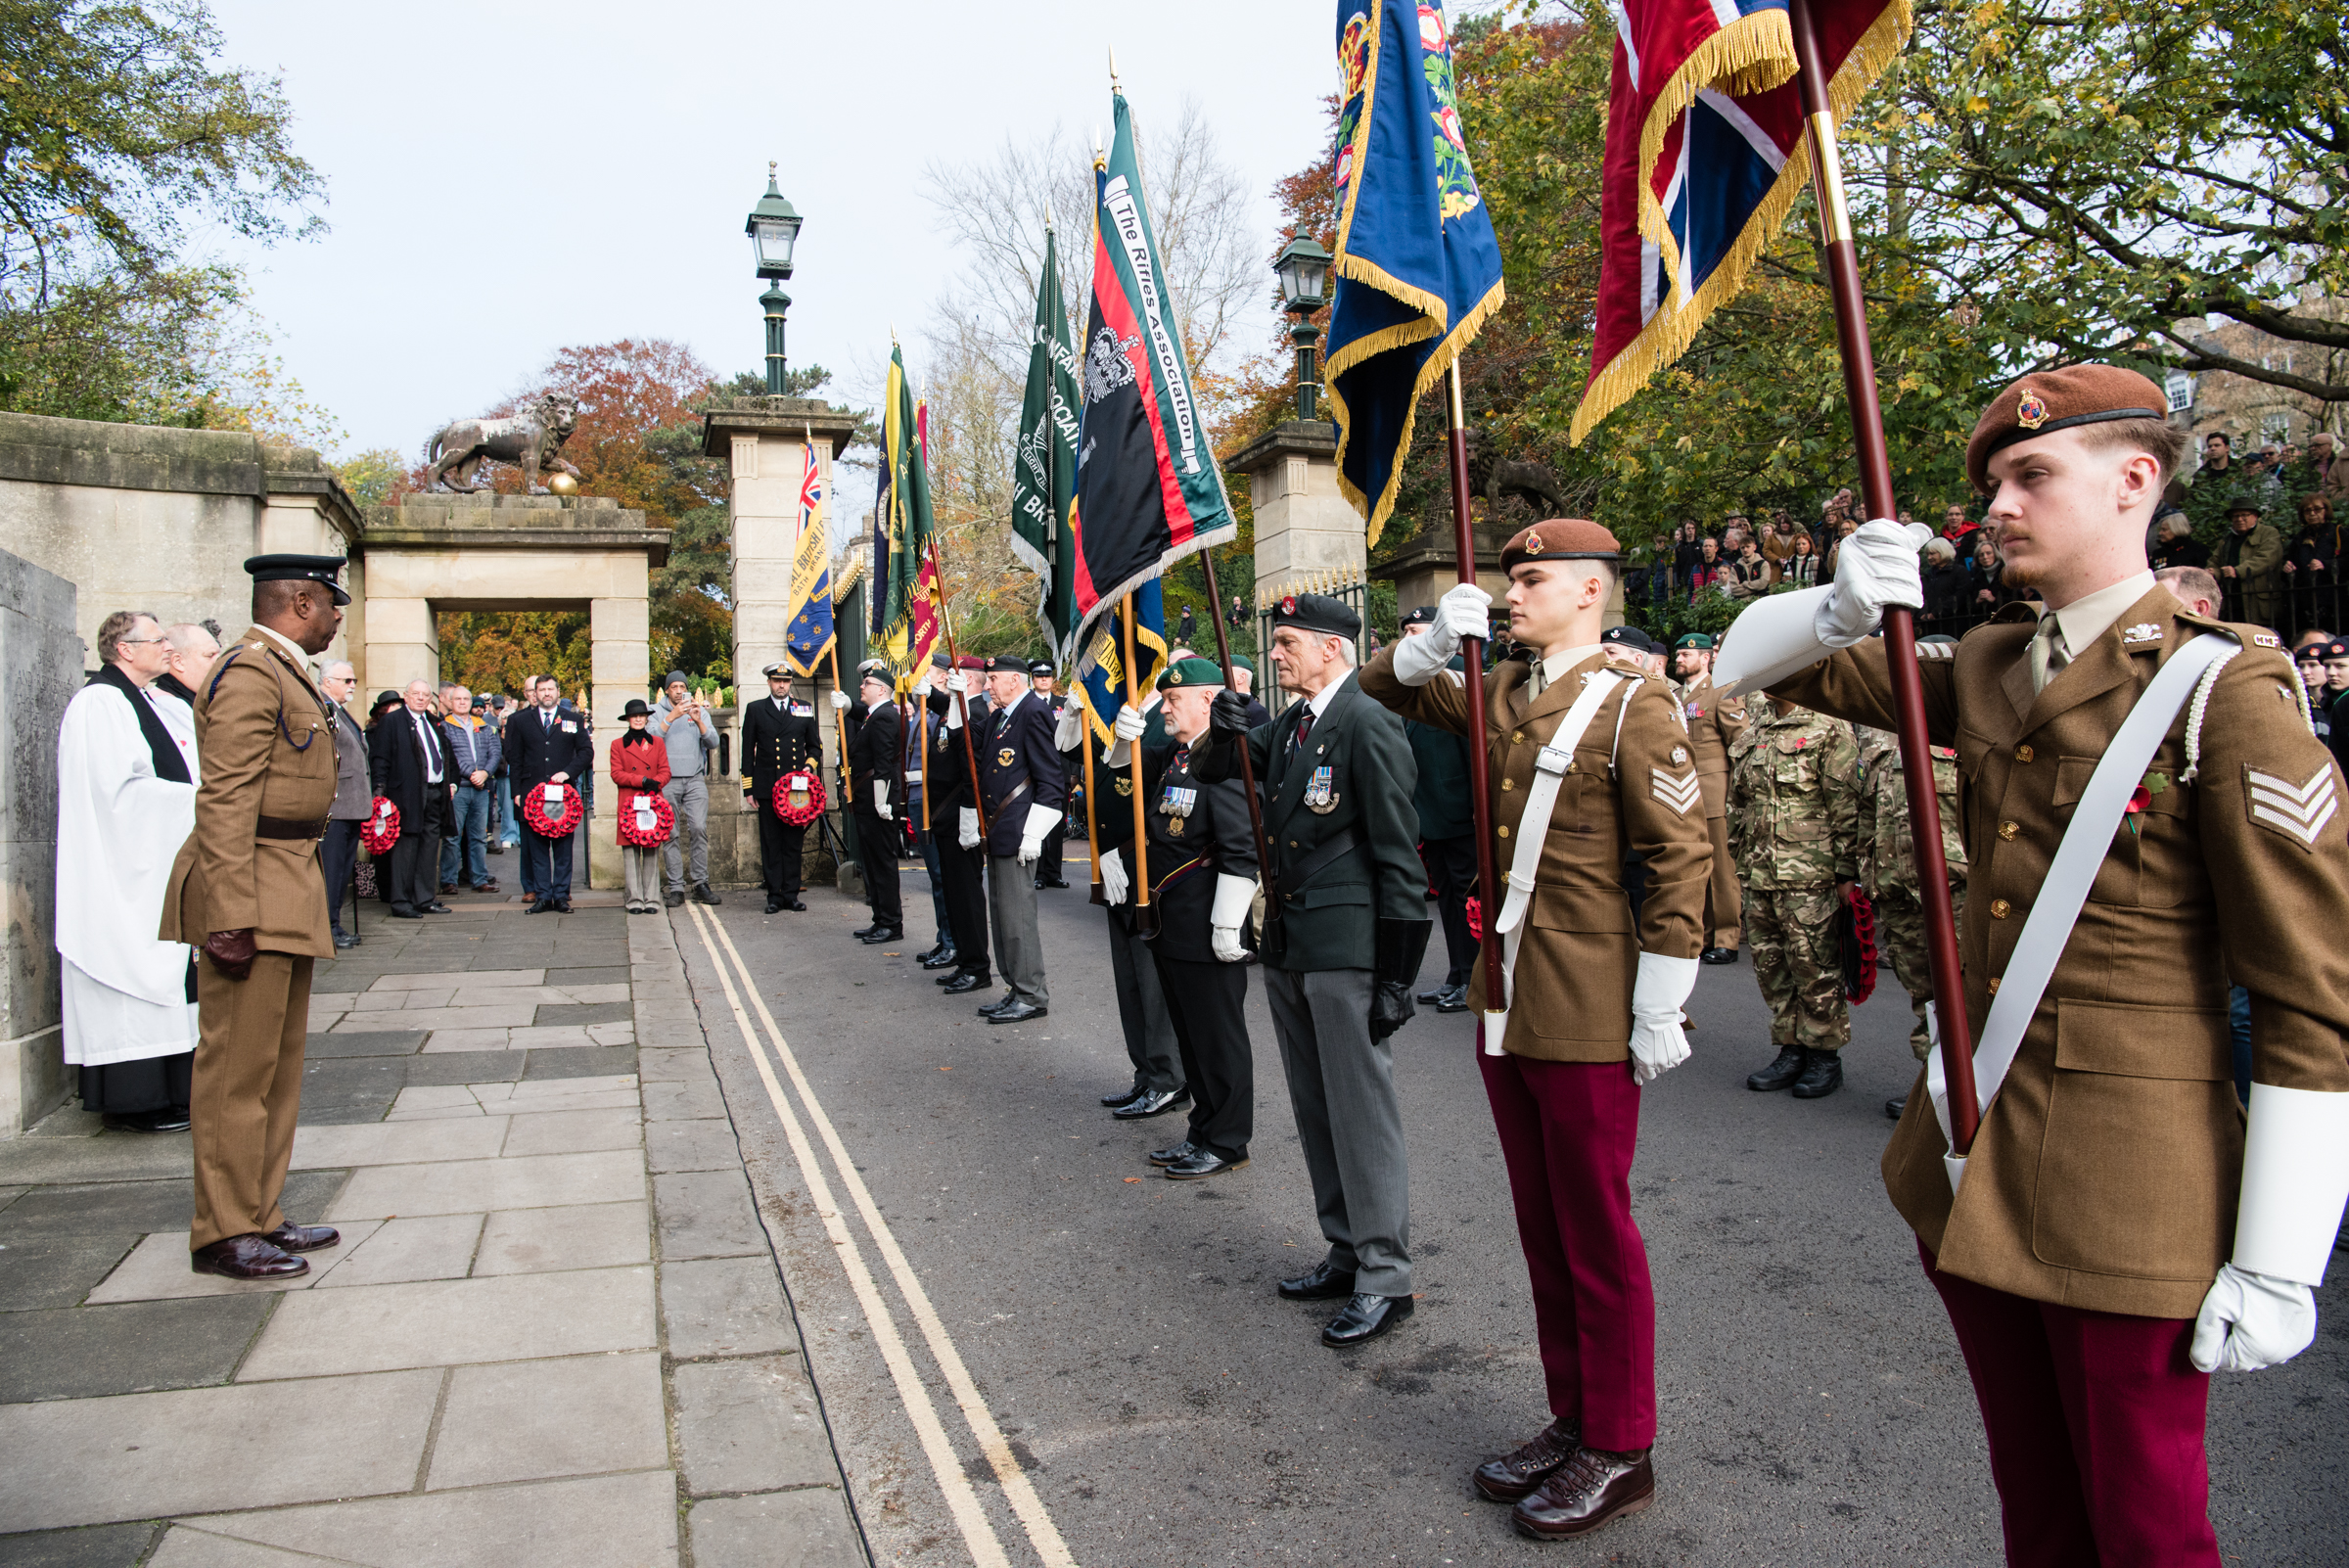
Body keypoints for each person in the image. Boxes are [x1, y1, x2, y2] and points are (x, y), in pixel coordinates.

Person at [1719, 363, 2349, 1566]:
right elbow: (1754, 669)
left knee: (2150, 1528)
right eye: (1995, 481)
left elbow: (2312, 989)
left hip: (2130, 1188)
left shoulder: (2228, 688)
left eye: (2031, 476)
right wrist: (1840, 605)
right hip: (1973, 1153)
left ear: (2135, 481)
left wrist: (2279, 1253)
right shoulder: (1998, 662)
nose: (1997, 506)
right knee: (2039, 1509)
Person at [1360, 523, 1708, 1541]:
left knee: (1597, 1230)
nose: (1511, 594)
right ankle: (1574, 1417)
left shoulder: (1635, 702)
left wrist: (1660, 998)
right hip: (1508, 991)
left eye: (1531, 579)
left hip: (1590, 998)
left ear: (1591, 590)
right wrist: (1429, 644)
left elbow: (1679, 856)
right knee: (1542, 1225)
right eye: (1510, 579)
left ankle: (1624, 1444)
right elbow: (1386, 686)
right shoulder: (1501, 689)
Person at [1192, 593, 1430, 1344]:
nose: (1279, 653)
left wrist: (1397, 974)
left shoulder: (1367, 717)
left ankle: (1386, 1276)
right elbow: (1211, 770)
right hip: (1292, 943)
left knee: (1361, 1113)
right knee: (1316, 1108)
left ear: (1334, 648)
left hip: (1348, 947)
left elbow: (1399, 855)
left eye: (1291, 641)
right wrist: (1221, 726)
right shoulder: (1292, 724)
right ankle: (1346, 1248)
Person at [161, 553, 347, 1279]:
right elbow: (226, 801)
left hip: (283, 880)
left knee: (274, 1067)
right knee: (235, 1071)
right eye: (333, 605)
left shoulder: (283, 670)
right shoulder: (248, 673)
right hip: (252, 887)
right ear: (301, 602)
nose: (337, 619)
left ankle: (260, 1211)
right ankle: (222, 1231)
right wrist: (229, 915)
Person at [1102, 658, 1260, 1170]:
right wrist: (1122, 739)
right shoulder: (1177, 755)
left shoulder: (1228, 757)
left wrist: (1226, 922)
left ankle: (1227, 1142)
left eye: (1173, 701)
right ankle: (1202, 1132)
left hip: (1205, 919)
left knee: (1218, 1038)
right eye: (1164, 700)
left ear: (1209, 701)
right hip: (1172, 920)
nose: (1164, 709)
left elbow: (1241, 848)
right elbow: (1120, 775)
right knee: (1191, 1037)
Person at [57, 611, 202, 1133]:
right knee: (132, 973)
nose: (168, 647)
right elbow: (116, 793)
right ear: (123, 648)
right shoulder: (99, 703)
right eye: (157, 640)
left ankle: (175, 1091)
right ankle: (136, 1100)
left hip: (159, 862)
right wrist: (200, 802)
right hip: (122, 869)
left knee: (170, 972)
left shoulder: (150, 700)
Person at [1727, 694, 1862, 1098]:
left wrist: (1845, 872)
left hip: (1810, 874)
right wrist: (1739, 852)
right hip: (1759, 869)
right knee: (1771, 964)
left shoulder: (1828, 727)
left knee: (1814, 965)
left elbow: (1845, 804)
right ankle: (1791, 1047)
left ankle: (1824, 1056)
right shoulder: (1758, 727)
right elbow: (1739, 801)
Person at [1854, 695, 1967, 1120]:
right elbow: (1868, 812)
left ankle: (1968, 1086)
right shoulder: (1883, 742)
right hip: (1897, 889)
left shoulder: (1965, 740)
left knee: (1964, 989)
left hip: (1954, 890)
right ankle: (1934, 1080)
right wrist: (1866, 872)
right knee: (1924, 992)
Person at [1079, 676, 1184, 1117]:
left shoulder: (1185, 745)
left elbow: (1165, 819)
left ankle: (1168, 1079)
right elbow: (1112, 784)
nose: (1165, 706)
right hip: (1120, 879)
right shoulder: (1143, 739)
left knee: (1154, 988)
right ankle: (1146, 1074)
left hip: (1152, 880)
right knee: (1131, 986)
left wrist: (1121, 854)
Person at [971, 653, 1066, 1024]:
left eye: (993, 679)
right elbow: (965, 738)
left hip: (1018, 830)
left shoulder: (1033, 712)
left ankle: (1031, 993)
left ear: (1014, 680)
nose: (989, 685)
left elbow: (1050, 779)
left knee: (1018, 919)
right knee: (1003, 917)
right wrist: (954, 700)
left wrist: (1034, 834)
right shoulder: (999, 715)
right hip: (999, 829)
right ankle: (1015, 987)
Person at [1398, 605, 1476, 1012]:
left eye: (1415, 629)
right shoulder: (1418, 679)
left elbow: (1472, 749)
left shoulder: (1462, 671)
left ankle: (1475, 979)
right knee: (1448, 899)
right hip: (1435, 816)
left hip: (1462, 815)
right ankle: (1457, 974)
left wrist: (1478, 812)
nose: (1409, 636)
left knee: (1470, 902)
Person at [1670, 633, 1746, 963]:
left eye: (1687, 655)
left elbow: (1740, 744)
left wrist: (1739, 796)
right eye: (1678, 655)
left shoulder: (1722, 692)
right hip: (1683, 793)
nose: (1680, 659)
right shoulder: (1673, 696)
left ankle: (1727, 938)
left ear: (1706, 658)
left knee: (1721, 871)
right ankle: (1700, 936)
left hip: (1714, 792)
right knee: (1693, 868)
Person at [922, 659, 995, 995]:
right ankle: (965, 961)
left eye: (954, 677)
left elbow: (973, 772)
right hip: (945, 819)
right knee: (953, 894)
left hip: (961, 818)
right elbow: (940, 703)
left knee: (966, 896)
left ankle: (977, 966)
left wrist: (969, 816)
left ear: (967, 680)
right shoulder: (958, 706)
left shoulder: (977, 712)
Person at [504, 672, 591, 913]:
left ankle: (561, 895)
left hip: (563, 796)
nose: (546, 694)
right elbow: (515, 759)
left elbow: (586, 752)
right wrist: (516, 792)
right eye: (541, 690)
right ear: (535, 693)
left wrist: (568, 772)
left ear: (557, 692)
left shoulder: (572, 719)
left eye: (550, 689)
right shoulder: (520, 721)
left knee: (563, 849)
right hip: (532, 797)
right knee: (538, 849)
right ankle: (543, 896)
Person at [739, 661, 822, 913]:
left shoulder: (803, 709)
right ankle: (774, 896)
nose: (781, 685)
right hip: (766, 788)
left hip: (796, 791)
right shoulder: (755, 709)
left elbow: (815, 747)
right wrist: (748, 788)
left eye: (785, 681)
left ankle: (791, 894)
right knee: (771, 842)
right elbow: (746, 752)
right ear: (769, 682)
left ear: (790, 683)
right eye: (777, 681)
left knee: (793, 843)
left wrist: (808, 767)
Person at [368, 680, 455, 919]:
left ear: (431, 699)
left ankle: (425, 899)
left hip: (436, 792)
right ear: (406, 697)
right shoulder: (392, 722)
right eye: (415, 694)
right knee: (405, 849)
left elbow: (445, 755)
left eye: (425, 695)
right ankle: (401, 901)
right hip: (405, 794)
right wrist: (379, 791)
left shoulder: (434, 722)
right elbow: (380, 758)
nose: (420, 698)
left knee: (429, 846)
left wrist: (451, 783)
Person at [841, 660, 904, 945]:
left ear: (881, 689)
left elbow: (884, 763)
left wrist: (882, 801)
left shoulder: (885, 717)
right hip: (868, 798)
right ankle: (880, 919)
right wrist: (845, 706)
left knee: (883, 864)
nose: (861, 686)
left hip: (879, 802)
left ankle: (891, 923)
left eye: (866, 684)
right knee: (872, 862)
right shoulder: (876, 714)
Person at [651, 671, 722, 909]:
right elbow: (651, 741)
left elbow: (713, 742)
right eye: (674, 687)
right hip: (667, 779)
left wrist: (699, 719)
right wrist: (672, 716)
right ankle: (676, 887)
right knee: (670, 833)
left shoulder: (698, 709)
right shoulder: (656, 711)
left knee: (699, 829)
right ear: (667, 690)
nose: (679, 691)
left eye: (682, 686)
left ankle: (701, 884)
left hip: (694, 779)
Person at [317, 662, 367, 949]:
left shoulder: (338, 709)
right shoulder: (322, 707)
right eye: (347, 679)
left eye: (354, 679)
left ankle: (334, 923)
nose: (352, 685)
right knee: (332, 871)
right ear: (327, 680)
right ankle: (328, 927)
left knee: (342, 868)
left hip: (351, 805)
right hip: (336, 806)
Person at [435, 682, 498, 896]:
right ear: (450, 702)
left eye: (466, 699)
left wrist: (485, 773)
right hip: (459, 788)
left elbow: (495, 752)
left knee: (479, 837)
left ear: (471, 702)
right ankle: (449, 881)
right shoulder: (445, 726)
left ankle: (479, 879)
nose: (462, 702)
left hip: (481, 789)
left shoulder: (484, 725)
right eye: (458, 699)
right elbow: (450, 755)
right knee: (452, 837)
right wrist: (473, 773)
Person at [609, 698, 670, 913]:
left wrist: (656, 783)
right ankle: (634, 899)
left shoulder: (657, 743)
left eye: (641, 715)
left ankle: (652, 899)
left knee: (652, 850)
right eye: (634, 716)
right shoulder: (617, 744)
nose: (638, 719)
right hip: (629, 802)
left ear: (646, 718)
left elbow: (665, 770)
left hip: (652, 802)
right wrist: (642, 781)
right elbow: (616, 774)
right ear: (627, 719)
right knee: (631, 853)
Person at [1028, 662, 1072, 890]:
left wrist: (1074, 773)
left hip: (1060, 773)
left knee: (1057, 824)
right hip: (1034, 774)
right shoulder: (1027, 703)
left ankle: (1054, 872)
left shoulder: (1064, 704)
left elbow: (1073, 740)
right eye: (1039, 676)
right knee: (1037, 823)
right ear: (1032, 679)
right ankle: (1038, 872)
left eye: (1047, 676)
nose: (1044, 680)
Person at [2214, 498, 2283, 627]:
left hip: (2259, 605)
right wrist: (2213, 572)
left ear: (2255, 516)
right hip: (2232, 604)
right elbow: (2215, 561)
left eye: (2244, 515)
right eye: (2235, 516)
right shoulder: (2226, 540)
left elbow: (2267, 558)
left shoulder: (2269, 533)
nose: (2239, 519)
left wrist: (2237, 571)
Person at [155, 623, 220, 705]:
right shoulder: (166, 703)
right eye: (210, 655)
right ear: (178, 662)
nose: (220, 662)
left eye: (219, 656)